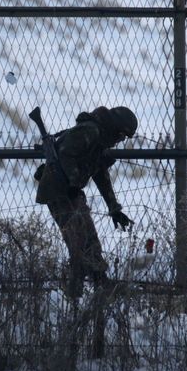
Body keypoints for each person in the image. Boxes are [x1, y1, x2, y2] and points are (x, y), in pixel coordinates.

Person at [34, 105, 137, 300]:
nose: (120, 140)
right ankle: (74, 293)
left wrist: (113, 208)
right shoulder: (91, 131)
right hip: (57, 191)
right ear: (115, 127)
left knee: (89, 239)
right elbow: (65, 153)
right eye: (122, 135)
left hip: (71, 192)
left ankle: (100, 283)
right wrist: (73, 180)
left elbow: (99, 173)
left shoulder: (99, 139)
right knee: (78, 241)